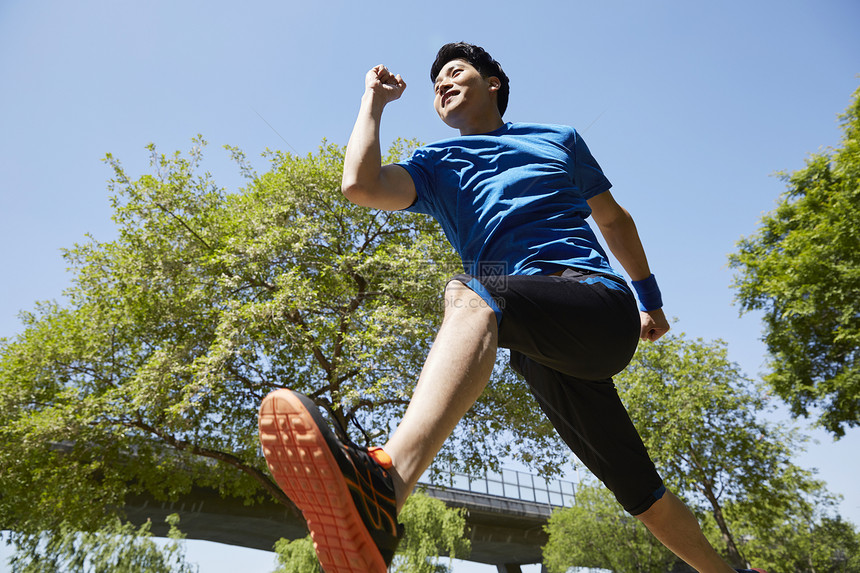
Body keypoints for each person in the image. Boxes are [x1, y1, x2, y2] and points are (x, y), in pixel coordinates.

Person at [258, 42, 766, 573]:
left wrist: (651, 301)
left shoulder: (558, 140)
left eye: (456, 74)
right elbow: (360, 185)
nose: (443, 86)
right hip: (533, 340)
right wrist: (373, 102)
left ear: (493, 83)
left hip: (591, 293)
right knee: (639, 491)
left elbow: (615, 221)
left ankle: (386, 481)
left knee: (471, 288)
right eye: (436, 86)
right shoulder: (435, 164)